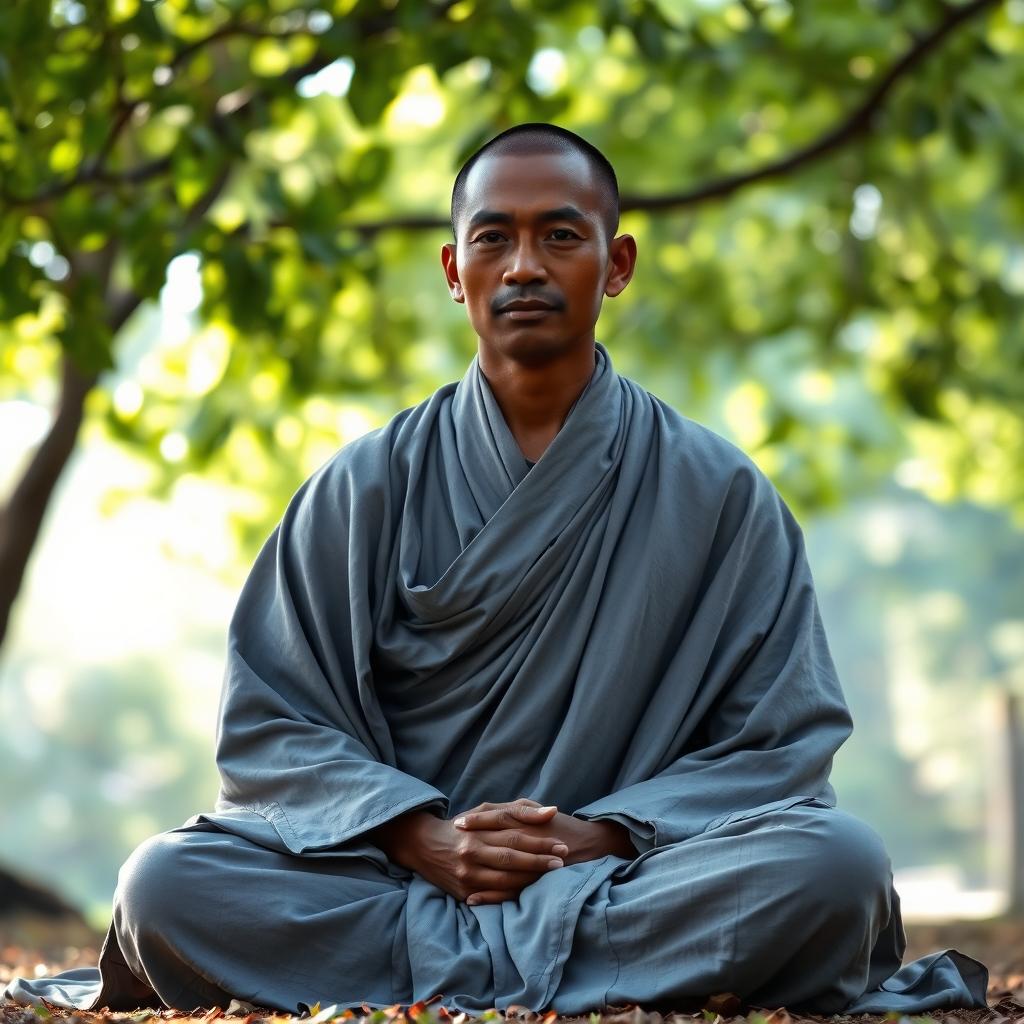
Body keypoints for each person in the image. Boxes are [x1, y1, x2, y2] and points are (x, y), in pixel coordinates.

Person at [4, 123, 989, 1017]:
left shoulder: (717, 492)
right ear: (452, 266)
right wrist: (421, 836)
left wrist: (588, 839)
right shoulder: (364, 486)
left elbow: (781, 744)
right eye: (493, 238)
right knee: (167, 884)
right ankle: (580, 974)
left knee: (835, 868)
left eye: (561, 236)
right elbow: (271, 727)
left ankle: (440, 970)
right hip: (391, 879)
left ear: (617, 264)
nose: (524, 265)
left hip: (623, 879)